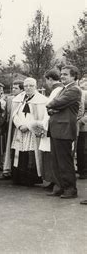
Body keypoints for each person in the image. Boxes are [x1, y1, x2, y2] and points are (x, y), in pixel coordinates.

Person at [46, 65, 82, 199]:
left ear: (74, 76)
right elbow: (53, 106)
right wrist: (53, 107)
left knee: (64, 161)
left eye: (65, 74)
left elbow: (54, 103)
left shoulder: (74, 90)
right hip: (57, 129)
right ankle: (60, 187)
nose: (62, 76)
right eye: (61, 74)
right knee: (56, 161)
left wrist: (52, 105)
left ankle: (70, 189)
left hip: (65, 130)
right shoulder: (64, 89)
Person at [4, 78, 48, 186]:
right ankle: (18, 177)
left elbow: (42, 117)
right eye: (26, 86)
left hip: (32, 132)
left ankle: (30, 179)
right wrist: (19, 125)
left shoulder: (42, 100)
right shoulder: (18, 99)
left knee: (31, 154)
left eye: (31, 86)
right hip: (19, 131)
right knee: (19, 153)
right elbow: (14, 115)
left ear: (36, 86)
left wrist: (28, 126)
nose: (28, 88)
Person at [37, 69, 64, 190]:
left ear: (50, 79)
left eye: (46, 80)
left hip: (51, 127)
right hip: (51, 126)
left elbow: (50, 110)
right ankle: (52, 180)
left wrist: (43, 126)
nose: (46, 83)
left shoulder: (57, 90)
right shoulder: (58, 90)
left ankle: (54, 181)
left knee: (51, 155)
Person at [75, 79, 87, 179]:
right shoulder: (80, 93)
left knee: (83, 148)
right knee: (79, 148)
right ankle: (81, 168)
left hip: (83, 124)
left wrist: (82, 120)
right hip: (78, 124)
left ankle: (83, 170)